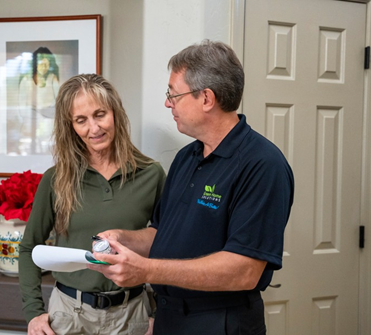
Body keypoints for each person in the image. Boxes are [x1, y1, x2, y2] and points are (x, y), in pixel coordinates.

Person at [88, 40, 294, 334]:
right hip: (170, 317)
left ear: (207, 98)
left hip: (220, 321)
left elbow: (244, 270)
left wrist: (145, 270)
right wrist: (123, 238)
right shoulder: (187, 157)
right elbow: (162, 234)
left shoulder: (262, 165)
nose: (167, 103)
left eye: (173, 94)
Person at [19, 73, 166, 335]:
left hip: (132, 316)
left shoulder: (151, 174)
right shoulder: (55, 179)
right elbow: (29, 247)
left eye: (100, 114)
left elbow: (169, 245)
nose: (94, 128)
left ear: (115, 113)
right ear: (71, 126)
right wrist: (34, 313)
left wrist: (159, 313)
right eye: (81, 120)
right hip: (68, 316)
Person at [18, 47, 60, 154]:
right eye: (41, 64)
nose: (44, 68)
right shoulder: (26, 81)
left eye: (47, 64)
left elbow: (59, 105)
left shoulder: (52, 79)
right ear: (35, 64)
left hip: (49, 125)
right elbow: (22, 108)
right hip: (30, 124)